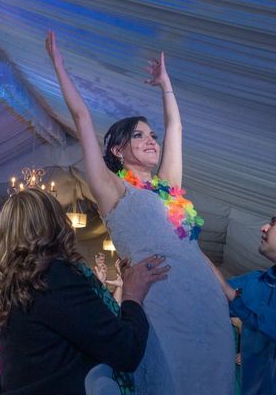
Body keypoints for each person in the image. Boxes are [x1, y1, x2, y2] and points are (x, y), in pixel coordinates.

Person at [45, 31, 235, 394]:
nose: (152, 140)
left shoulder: (167, 187)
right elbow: (82, 117)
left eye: (152, 136)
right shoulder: (114, 190)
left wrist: (165, 84)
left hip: (206, 302)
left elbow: (176, 127)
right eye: (139, 135)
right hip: (162, 301)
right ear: (118, 150)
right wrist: (58, 66)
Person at [0, 189, 167, 394]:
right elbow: (125, 350)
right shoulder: (51, 277)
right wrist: (132, 296)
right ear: (54, 223)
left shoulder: (6, 285)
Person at [208, 216, 276, 394]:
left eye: (274, 223)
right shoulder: (256, 282)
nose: (264, 227)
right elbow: (210, 293)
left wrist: (233, 295)